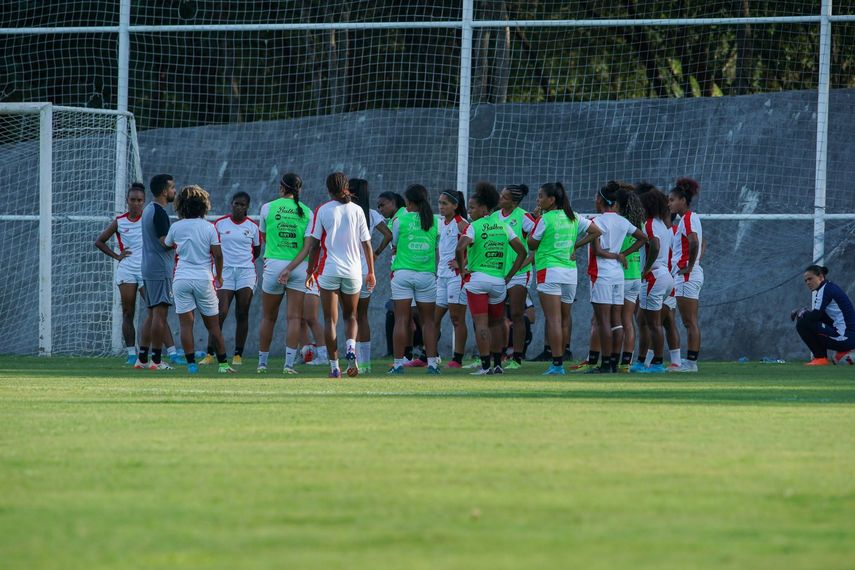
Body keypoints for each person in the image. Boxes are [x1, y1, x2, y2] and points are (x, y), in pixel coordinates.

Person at [278, 172, 375, 378]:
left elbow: (314, 246)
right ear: (346, 186)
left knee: (330, 320)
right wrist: (371, 272)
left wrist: (310, 271)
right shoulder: (358, 210)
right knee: (351, 316)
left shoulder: (323, 210)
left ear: (328, 189)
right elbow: (367, 244)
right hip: (353, 272)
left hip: (329, 271)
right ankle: (351, 348)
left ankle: (335, 368)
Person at [527, 182, 602, 375]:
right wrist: (576, 245)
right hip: (569, 273)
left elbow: (531, 243)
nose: (538, 200)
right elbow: (596, 231)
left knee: (553, 319)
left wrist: (536, 221)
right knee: (564, 318)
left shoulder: (545, 218)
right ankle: (561, 358)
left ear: (552, 200)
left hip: (549, 271)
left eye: (541, 196)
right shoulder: (573, 216)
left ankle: (557, 364)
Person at [456, 181, 527, 375]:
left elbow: (460, 248)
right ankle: (497, 364)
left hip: (478, 280)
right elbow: (522, 252)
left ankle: (485, 366)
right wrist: (509, 275)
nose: (469, 212)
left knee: (481, 323)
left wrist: (462, 270)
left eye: (472, 208)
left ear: (484, 208)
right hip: (499, 282)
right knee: (497, 323)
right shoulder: (504, 226)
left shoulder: (474, 227)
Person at [164, 185, 234, 374]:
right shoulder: (209, 227)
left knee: (186, 325)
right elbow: (218, 255)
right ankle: (223, 365)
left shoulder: (176, 227)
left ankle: (191, 366)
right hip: (203, 279)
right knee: (213, 325)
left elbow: (167, 244)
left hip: (181, 279)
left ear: (181, 205)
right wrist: (219, 276)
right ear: (204, 205)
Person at [586, 181, 648, 374]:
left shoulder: (596, 222)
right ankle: (614, 362)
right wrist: (623, 254)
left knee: (602, 321)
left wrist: (615, 255)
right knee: (617, 321)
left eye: (596, 197)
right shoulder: (623, 221)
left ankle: (604, 364)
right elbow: (643, 238)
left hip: (602, 274)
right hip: (618, 274)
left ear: (600, 200)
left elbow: (597, 251)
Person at [257, 173, 313, 374]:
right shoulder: (307, 212)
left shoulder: (267, 207)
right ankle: (288, 365)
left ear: (281, 187)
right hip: (299, 267)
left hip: (273, 265)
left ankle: (262, 364)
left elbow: (264, 236)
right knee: (294, 318)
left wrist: (281, 264)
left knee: (268, 317)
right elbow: (307, 248)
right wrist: (290, 268)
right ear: (299, 189)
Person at [199, 192, 260, 367]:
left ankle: (238, 355)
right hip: (224, 272)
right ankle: (210, 353)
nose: (239, 207)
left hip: (245, 272)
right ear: (231, 204)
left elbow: (256, 251)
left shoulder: (253, 227)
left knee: (242, 312)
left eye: (242, 205)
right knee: (220, 312)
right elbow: (212, 249)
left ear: (247, 207)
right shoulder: (220, 224)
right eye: (236, 204)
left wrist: (242, 262)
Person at [388, 184, 441, 375]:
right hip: (426, 275)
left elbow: (394, 243)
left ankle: (397, 365)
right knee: (429, 321)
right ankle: (432, 364)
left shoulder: (399, 220)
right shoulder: (436, 221)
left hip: (402, 273)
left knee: (401, 319)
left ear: (409, 202)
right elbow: (436, 245)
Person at [135, 173, 179, 371]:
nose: (174, 191)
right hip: (160, 269)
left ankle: (142, 359)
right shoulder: (159, 212)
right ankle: (157, 361)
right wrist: (182, 241)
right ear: (163, 191)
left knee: (152, 314)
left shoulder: (148, 210)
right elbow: (164, 241)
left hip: (149, 267)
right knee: (160, 315)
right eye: (172, 187)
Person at [630, 184, 674, 373]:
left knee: (654, 324)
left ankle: (657, 363)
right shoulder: (661, 224)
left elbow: (654, 245)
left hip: (654, 276)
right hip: (664, 275)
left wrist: (645, 269)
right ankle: (641, 361)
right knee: (642, 319)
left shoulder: (648, 224)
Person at [351, 179, 393, 373]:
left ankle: (353, 362)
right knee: (362, 316)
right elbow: (389, 235)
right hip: (365, 271)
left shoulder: (347, 211)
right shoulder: (371, 214)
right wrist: (375, 254)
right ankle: (365, 364)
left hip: (348, 271)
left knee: (350, 317)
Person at [493, 185, 537, 369]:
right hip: (497, 272)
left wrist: (527, 262)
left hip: (519, 274)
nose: (500, 198)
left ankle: (517, 358)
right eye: (501, 195)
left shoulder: (524, 217)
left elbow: (539, 240)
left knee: (517, 314)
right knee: (496, 316)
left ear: (514, 201)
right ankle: (497, 355)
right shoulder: (494, 216)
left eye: (504, 197)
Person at [668, 177, 704, 373]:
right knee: (689, 321)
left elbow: (695, 241)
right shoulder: (689, 218)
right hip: (689, 273)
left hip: (687, 275)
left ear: (683, 200)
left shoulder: (688, 218)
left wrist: (690, 266)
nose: (669, 204)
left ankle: (691, 363)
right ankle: (690, 361)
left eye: (672, 200)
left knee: (689, 322)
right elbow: (701, 243)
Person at [792, 265, 855, 366]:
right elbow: (821, 316)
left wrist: (801, 312)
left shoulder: (824, 289)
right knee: (808, 319)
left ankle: (820, 358)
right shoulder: (829, 287)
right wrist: (804, 313)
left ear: (821, 277)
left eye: (810, 279)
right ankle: (837, 353)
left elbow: (815, 316)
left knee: (802, 323)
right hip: (849, 338)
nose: (808, 282)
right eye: (806, 280)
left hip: (845, 338)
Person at [434, 190, 469, 368]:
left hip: (456, 277)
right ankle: (430, 356)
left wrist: (463, 263)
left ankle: (457, 358)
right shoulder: (441, 223)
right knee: (433, 318)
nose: (441, 206)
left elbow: (476, 246)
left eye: (445, 203)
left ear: (455, 205)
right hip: (441, 276)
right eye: (440, 203)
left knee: (456, 318)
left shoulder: (462, 224)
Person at [616, 184, 647, 371]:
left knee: (611, 320)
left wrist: (623, 254)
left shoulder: (619, 223)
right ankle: (626, 362)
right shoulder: (640, 223)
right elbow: (646, 241)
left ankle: (610, 358)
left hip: (621, 276)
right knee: (628, 320)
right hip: (636, 275)